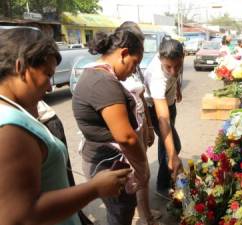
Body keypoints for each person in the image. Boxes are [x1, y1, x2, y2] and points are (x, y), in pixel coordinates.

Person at [0, 27, 131, 225]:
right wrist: (94, 189)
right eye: (47, 74)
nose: (50, 86)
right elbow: (20, 216)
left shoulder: (12, 112)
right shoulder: (10, 128)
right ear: (21, 68)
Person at [72, 28, 147, 225]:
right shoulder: (102, 81)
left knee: (120, 211)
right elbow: (126, 137)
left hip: (105, 159)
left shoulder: (99, 76)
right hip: (107, 163)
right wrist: (143, 169)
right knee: (120, 213)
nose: (134, 70)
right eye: (135, 63)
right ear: (123, 54)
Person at [115, 21, 162, 225]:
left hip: (141, 124)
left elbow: (142, 98)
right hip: (127, 129)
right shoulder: (114, 72)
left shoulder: (135, 66)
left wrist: (149, 126)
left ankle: (144, 212)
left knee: (142, 174)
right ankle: (144, 217)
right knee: (138, 173)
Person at [144, 38, 184, 199]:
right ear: (160, 59)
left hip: (170, 103)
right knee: (174, 146)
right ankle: (162, 185)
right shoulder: (156, 77)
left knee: (165, 145)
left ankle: (166, 173)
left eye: (177, 66)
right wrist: (174, 156)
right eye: (168, 67)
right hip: (154, 109)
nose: (173, 71)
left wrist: (177, 89)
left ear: (183, 56)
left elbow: (175, 76)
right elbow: (163, 119)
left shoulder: (174, 60)